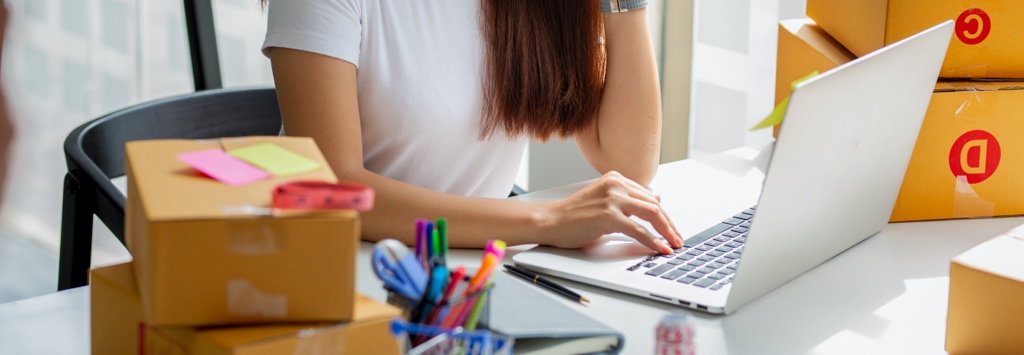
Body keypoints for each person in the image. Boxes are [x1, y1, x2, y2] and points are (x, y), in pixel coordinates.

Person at [261, 0, 683, 254]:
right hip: (342, 271)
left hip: (472, 275)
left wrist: (624, 4)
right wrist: (546, 219)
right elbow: (334, 188)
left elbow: (630, 161)